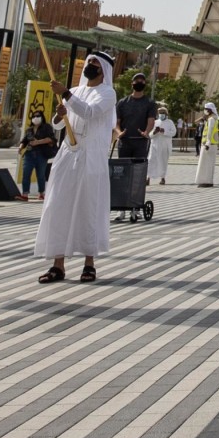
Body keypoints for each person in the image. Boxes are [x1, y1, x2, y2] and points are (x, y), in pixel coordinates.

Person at [36, 53, 114, 283]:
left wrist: (65, 94)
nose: (91, 66)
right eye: (89, 62)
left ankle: (89, 263)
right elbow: (59, 122)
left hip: (90, 157)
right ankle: (57, 265)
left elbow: (89, 112)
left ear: (104, 70)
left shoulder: (108, 93)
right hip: (68, 153)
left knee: (88, 207)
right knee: (58, 206)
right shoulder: (75, 91)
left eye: (96, 63)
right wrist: (59, 115)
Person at [114, 73, 158, 220]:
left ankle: (135, 205)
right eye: (136, 81)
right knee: (122, 174)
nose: (139, 83)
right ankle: (121, 208)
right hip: (125, 141)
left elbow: (151, 121)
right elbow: (116, 122)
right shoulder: (122, 102)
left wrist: (146, 132)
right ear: (131, 83)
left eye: (141, 81)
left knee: (138, 174)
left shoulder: (149, 103)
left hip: (140, 142)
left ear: (145, 84)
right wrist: (119, 133)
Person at [19, 112, 57, 201]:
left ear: (42, 117)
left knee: (40, 175)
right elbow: (24, 141)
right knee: (26, 174)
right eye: (34, 116)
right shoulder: (29, 130)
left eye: (38, 116)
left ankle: (41, 193)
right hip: (29, 154)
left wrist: (37, 142)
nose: (35, 118)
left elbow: (51, 139)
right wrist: (20, 148)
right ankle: (25, 194)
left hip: (41, 154)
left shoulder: (46, 127)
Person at [148, 105, 176, 187]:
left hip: (164, 146)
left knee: (163, 162)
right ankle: (148, 178)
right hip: (155, 145)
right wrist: (154, 132)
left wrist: (165, 131)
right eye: (160, 113)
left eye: (163, 113)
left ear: (166, 114)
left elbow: (173, 132)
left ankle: (162, 178)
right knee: (151, 160)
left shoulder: (170, 122)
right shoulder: (155, 122)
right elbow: (150, 135)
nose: (161, 114)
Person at [196, 102, 219, 187]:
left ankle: (205, 181)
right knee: (208, 163)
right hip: (210, 144)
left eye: (206, 109)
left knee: (205, 164)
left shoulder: (211, 119)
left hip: (208, 144)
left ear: (210, 110)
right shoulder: (212, 118)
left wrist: (207, 143)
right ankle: (207, 181)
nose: (205, 111)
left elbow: (209, 132)